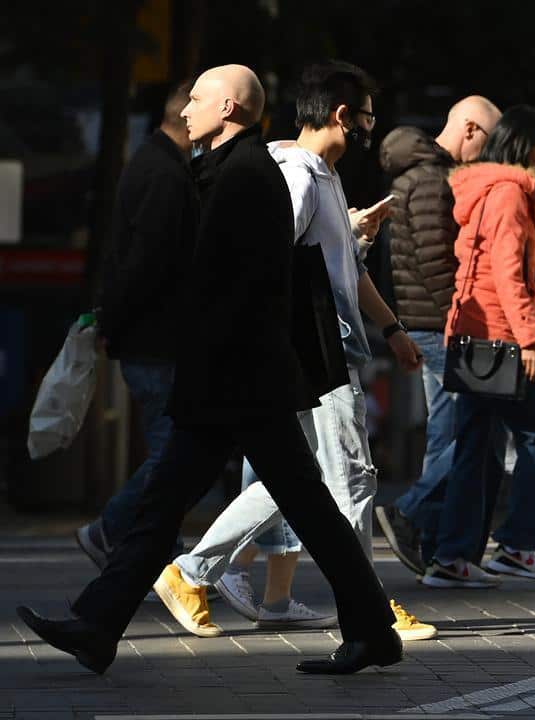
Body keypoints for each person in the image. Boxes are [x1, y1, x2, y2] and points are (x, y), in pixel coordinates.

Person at [16, 64, 401, 676]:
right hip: (235, 378)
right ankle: (97, 625)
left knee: (295, 505)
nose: (185, 109)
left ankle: (373, 630)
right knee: (193, 503)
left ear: (228, 108)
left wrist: (207, 358)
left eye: (196, 99)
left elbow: (244, 286)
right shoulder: (230, 171)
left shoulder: (248, 176)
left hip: (239, 379)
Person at [152, 61, 436, 642]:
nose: (370, 129)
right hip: (316, 355)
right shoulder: (299, 178)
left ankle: (191, 570)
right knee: (351, 478)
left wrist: (391, 328)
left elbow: (344, 271)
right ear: (341, 115)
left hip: (328, 352)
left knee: (298, 479)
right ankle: (371, 607)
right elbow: (275, 268)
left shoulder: (325, 177)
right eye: (367, 118)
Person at [420, 105, 535, 588]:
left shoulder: (486, 188)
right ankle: (517, 546)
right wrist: (530, 338)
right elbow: (507, 274)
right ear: (524, 147)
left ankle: (454, 557)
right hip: (496, 338)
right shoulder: (508, 194)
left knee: (476, 447)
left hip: (472, 333)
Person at [373, 96, 507, 576]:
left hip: (431, 322)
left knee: (453, 432)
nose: (488, 154)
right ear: (469, 128)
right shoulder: (433, 181)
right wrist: (464, 315)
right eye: (487, 142)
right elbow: (436, 262)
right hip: (444, 324)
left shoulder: (423, 177)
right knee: (468, 433)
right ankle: (410, 514)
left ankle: (438, 546)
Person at [76, 81, 197, 568]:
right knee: (173, 452)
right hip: (154, 339)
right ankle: (113, 530)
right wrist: (115, 322)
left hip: (146, 335)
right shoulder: (164, 174)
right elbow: (144, 263)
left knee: (172, 448)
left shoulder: (154, 164)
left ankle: (156, 547)